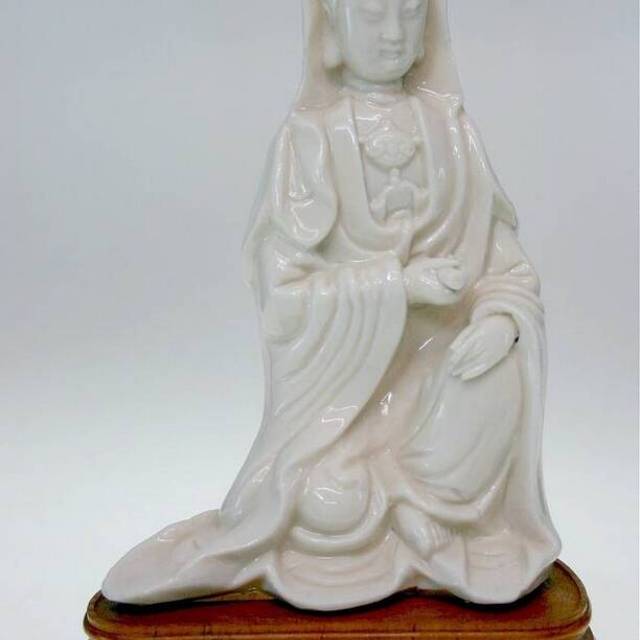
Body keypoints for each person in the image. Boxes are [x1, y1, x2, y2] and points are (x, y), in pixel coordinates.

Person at [103, 0, 560, 611]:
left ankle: (417, 503)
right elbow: (285, 301)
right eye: (372, 15)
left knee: (501, 376)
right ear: (333, 29)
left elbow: (506, 264)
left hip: (436, 387)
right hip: (343, 411)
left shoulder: (454, 134)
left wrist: (500, 318)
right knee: (326, 502)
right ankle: (398, 505)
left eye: (410, 14)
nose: (393, 34)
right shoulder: (310, 140)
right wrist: (399, 287)